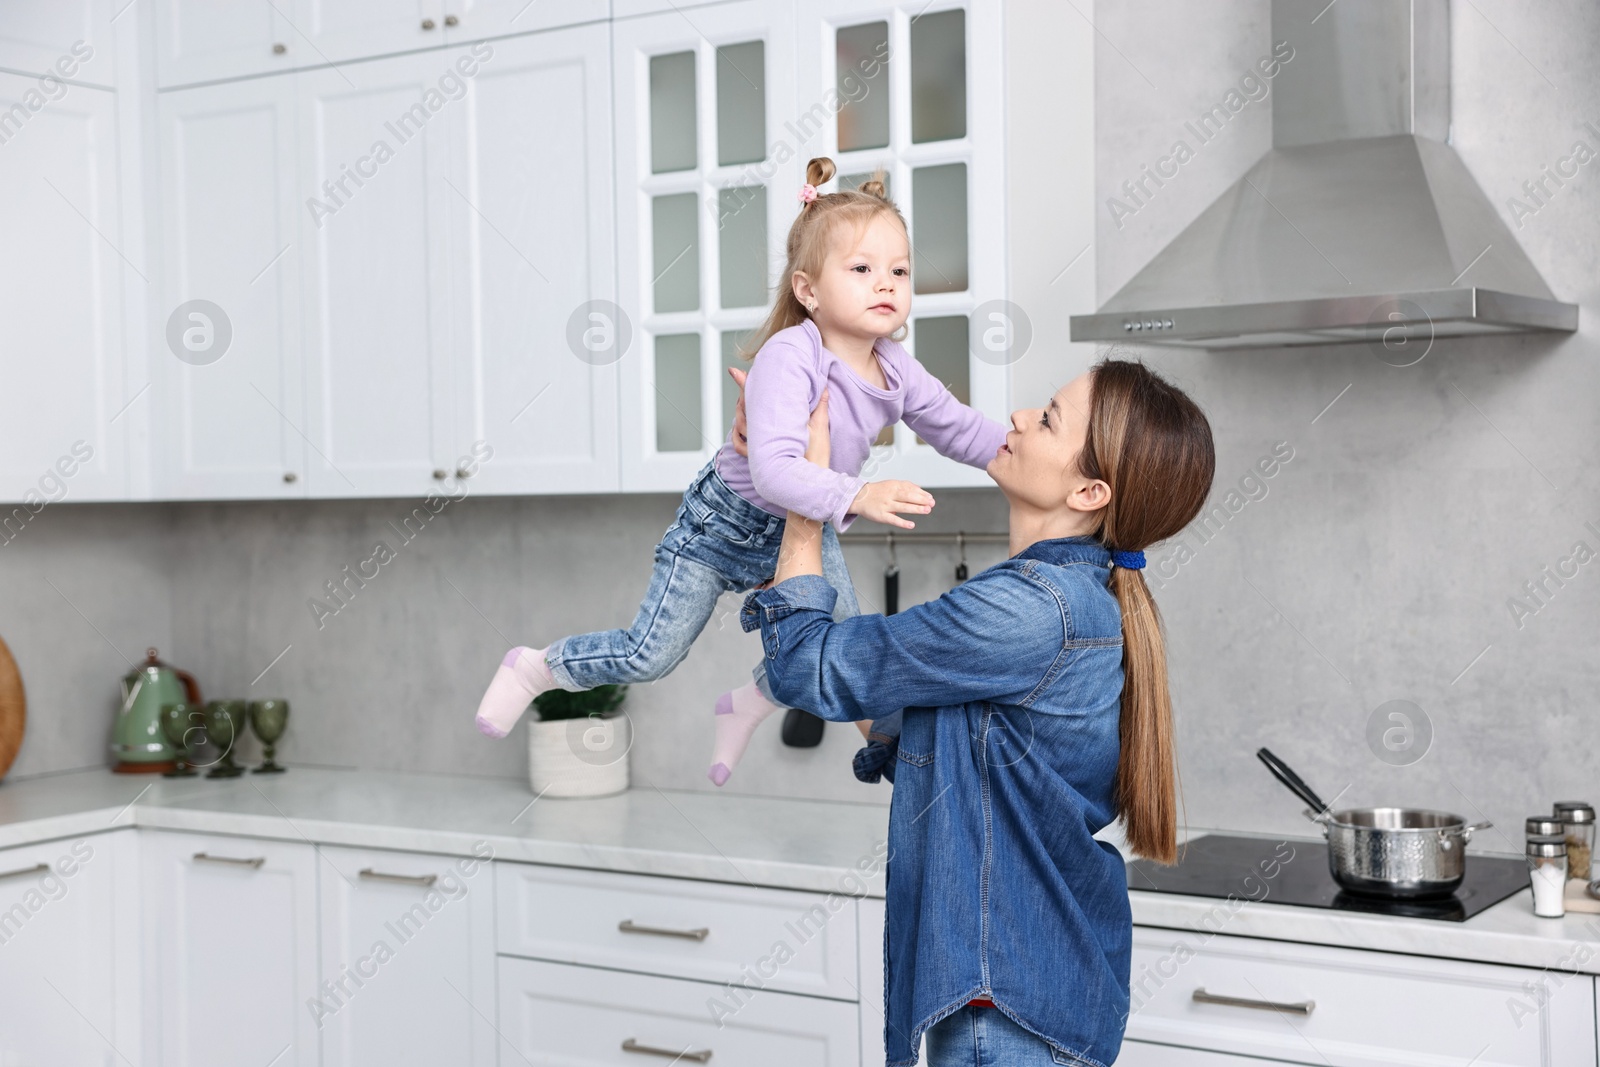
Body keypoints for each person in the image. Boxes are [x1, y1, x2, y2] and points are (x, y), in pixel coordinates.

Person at [472, 157, 1006, 790]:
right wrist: (860, 492)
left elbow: (959, 428)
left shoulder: (895, 368)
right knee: (652, 654)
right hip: (721, 527)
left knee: (841, 651)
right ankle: (539, 666)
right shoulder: (791, 354)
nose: (885, 284)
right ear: (808, 291)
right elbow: (777, 472)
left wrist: (1020, 454)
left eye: (898, 271)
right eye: (861, 270)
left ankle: (749, 701)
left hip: (800, 525)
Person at [737, 360, 1215, 1067]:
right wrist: (807, 482)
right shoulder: (1062, 600)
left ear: (1090, 489)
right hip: (1030, 1001)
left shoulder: (1030, 611)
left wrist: (805, 503)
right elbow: (880, 704)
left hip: (1008, 1015)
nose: (1019, 418)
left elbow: (804, 666)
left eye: (1049, 417)